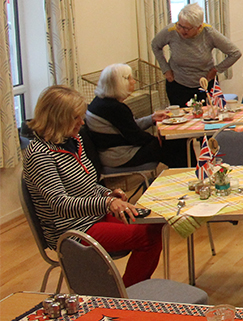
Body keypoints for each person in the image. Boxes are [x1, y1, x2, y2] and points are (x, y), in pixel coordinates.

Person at [23, 86, 164, 287]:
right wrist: (106, 203)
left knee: (154, 223)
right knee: (147, 237)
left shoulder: (72, 139)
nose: (82, 123)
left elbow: (88, 185)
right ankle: (127, 297)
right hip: (73, 230)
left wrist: (108, 194)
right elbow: (60, 204)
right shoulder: (40, 154)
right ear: (57, 118)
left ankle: (129, 292)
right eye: (75, 118)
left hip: (92, 218)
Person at [85, 64, 187, 169]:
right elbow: (136, 136)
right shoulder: (114, 108)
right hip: (119, 156)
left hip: (112, 153)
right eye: (130, 78)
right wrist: (157, 140)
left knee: (172, 144)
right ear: (121, 83)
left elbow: (129, 126)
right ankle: (187, 176)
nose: (134, 81)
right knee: (176, 145)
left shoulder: (100, 101)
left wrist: (152, 118)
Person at [151, 3, 242, 105]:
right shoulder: (171, 31)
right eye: (179, 25)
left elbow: (235, 53)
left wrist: (216, 70)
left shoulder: (209, 33)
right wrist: (165, 69)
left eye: (186, 29)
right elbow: (155, 45)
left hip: (204, 85)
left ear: (198, 27)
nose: (181, 30)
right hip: (178, 85)